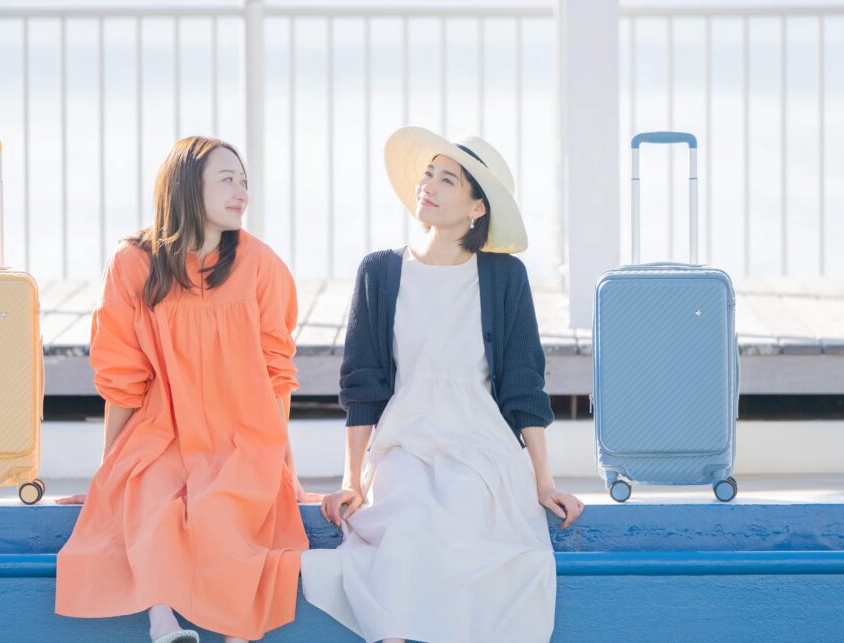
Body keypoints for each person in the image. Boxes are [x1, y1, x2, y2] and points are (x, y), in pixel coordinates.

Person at [300, 126, 584, 643]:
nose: (427, 186)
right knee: (403, 523)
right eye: (428, 174)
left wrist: (544, 483)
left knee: (468, 527)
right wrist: (351, 480)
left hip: (481, 445)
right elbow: (362, 387)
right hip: (402, 442)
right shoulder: (380, 272)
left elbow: (524, 386)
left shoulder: (505, 277)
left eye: (447, 179)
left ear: (477, 207)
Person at [54, 136, 319, 643]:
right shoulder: (133, 263)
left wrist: (285, 467)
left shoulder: (261, 264)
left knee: (225, 512)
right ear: (186, 187)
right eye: (227, 180)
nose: (242, 193)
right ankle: (164, 624)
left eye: (244, 182)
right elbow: (122, 378)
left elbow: (277, 375)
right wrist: (110, 474)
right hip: (164, 429)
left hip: (243, 435)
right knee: (152, 498)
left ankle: (235, 633)